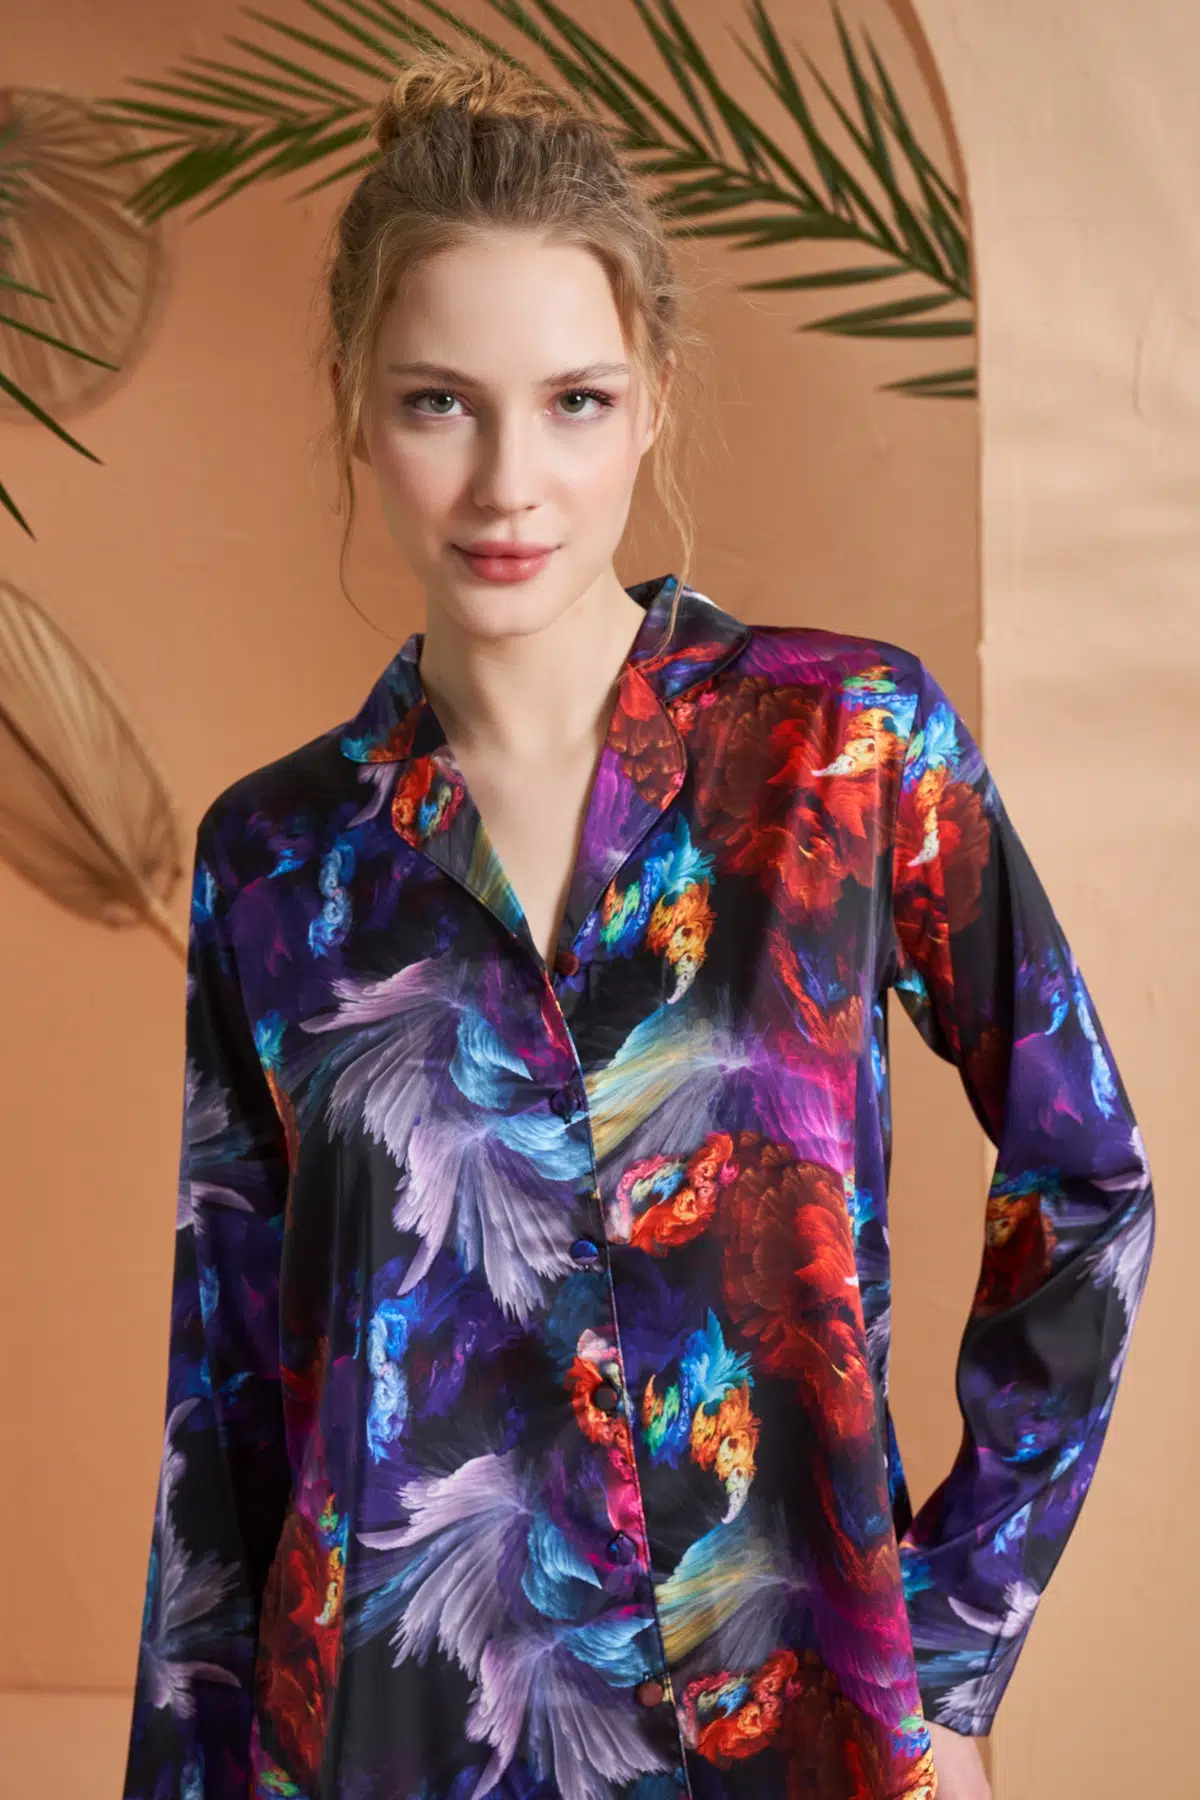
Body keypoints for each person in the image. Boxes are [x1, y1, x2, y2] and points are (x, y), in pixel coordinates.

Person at [119, 44, 1154, 1800]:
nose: (508, 482)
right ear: (356, 406)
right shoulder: (278, 863)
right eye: (439, 403)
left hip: (797, 1737)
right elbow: (225, 1414)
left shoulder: (847, 752)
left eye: (576, 400)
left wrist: (951, 1659)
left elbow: (1088, 1185)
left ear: (656, 397)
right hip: (390, 1751)